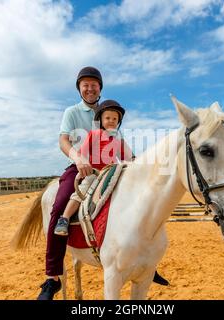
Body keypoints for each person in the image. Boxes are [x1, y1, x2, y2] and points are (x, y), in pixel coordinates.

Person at [37, 66, 169, 301]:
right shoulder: (72, 112)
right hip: (82, 166)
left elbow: (125, 151)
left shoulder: (109, 111)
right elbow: (63, 140)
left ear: (100, 88)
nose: (90, 88)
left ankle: (146, 263)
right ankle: (52, 278)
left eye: (94, 84)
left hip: (110, 168)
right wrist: (78, 159)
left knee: (141, 201)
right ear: (79, 88)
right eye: (85, 84)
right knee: (59, 206)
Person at [54, 99, 132, 236]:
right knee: (83, 191)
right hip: (94, 173)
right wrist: (83, 166)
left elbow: (127, 157)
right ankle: (64, 218)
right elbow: (83, 154)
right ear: (100, 119)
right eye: (107, 118)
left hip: (111, 172)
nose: (111, 121)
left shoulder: (117, 138)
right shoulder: (94, 134)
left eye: (115, 119)